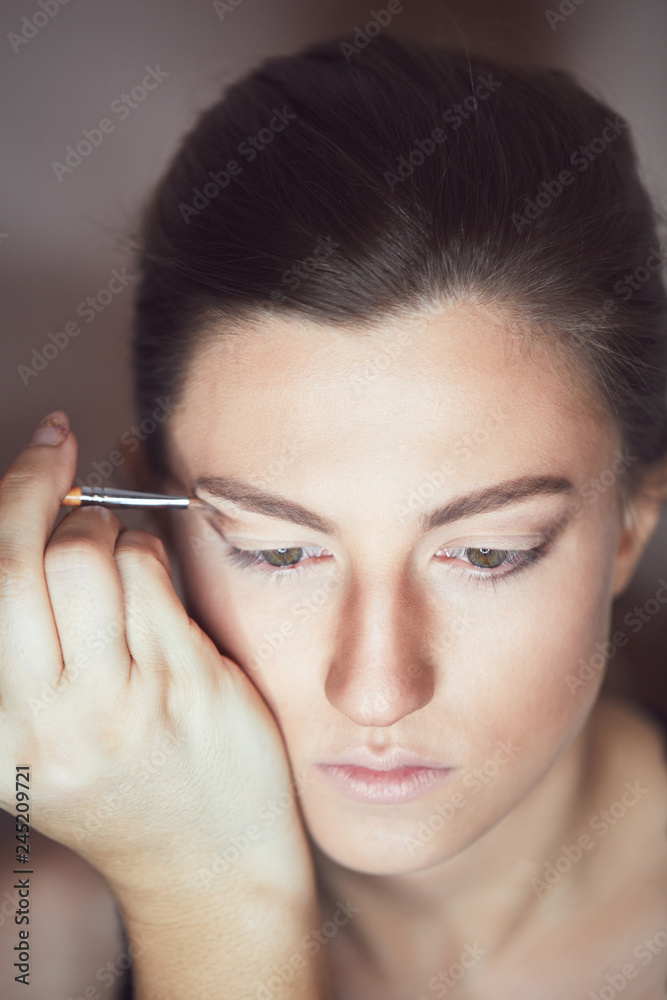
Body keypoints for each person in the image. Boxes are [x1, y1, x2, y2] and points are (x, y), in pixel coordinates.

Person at [1, 29, 666, 1000]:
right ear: (152, 532)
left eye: (486, 552)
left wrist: (212, 911)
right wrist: (203, 894)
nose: (376, 688)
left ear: (628, 530)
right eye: (275, 552)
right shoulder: (37, 943)